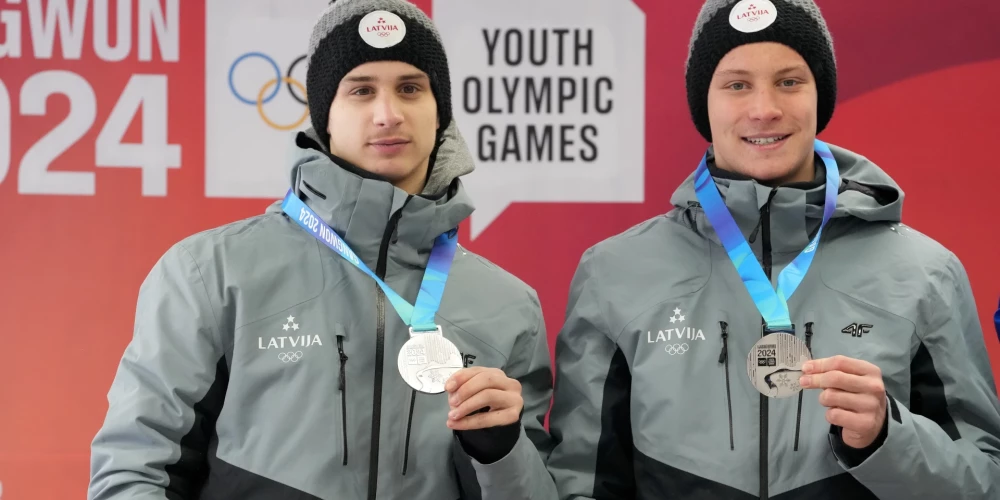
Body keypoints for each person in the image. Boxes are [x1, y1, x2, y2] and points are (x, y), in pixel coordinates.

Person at [88, 1, 557, 499]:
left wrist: (501, 454)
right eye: (360, 90)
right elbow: (134, 472)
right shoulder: (212, 273)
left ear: (439, 111)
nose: (388, 114)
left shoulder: (509, 305)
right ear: (323, 115)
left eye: (411, 88)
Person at [544, 0, 1000, 498]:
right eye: (737, 84)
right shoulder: (615, 272)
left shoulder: (926, 273)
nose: (764, 108)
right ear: (705, 103)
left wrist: (888, 438)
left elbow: (984, 478)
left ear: (818, 95)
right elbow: (580, 482)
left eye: (789, 81)